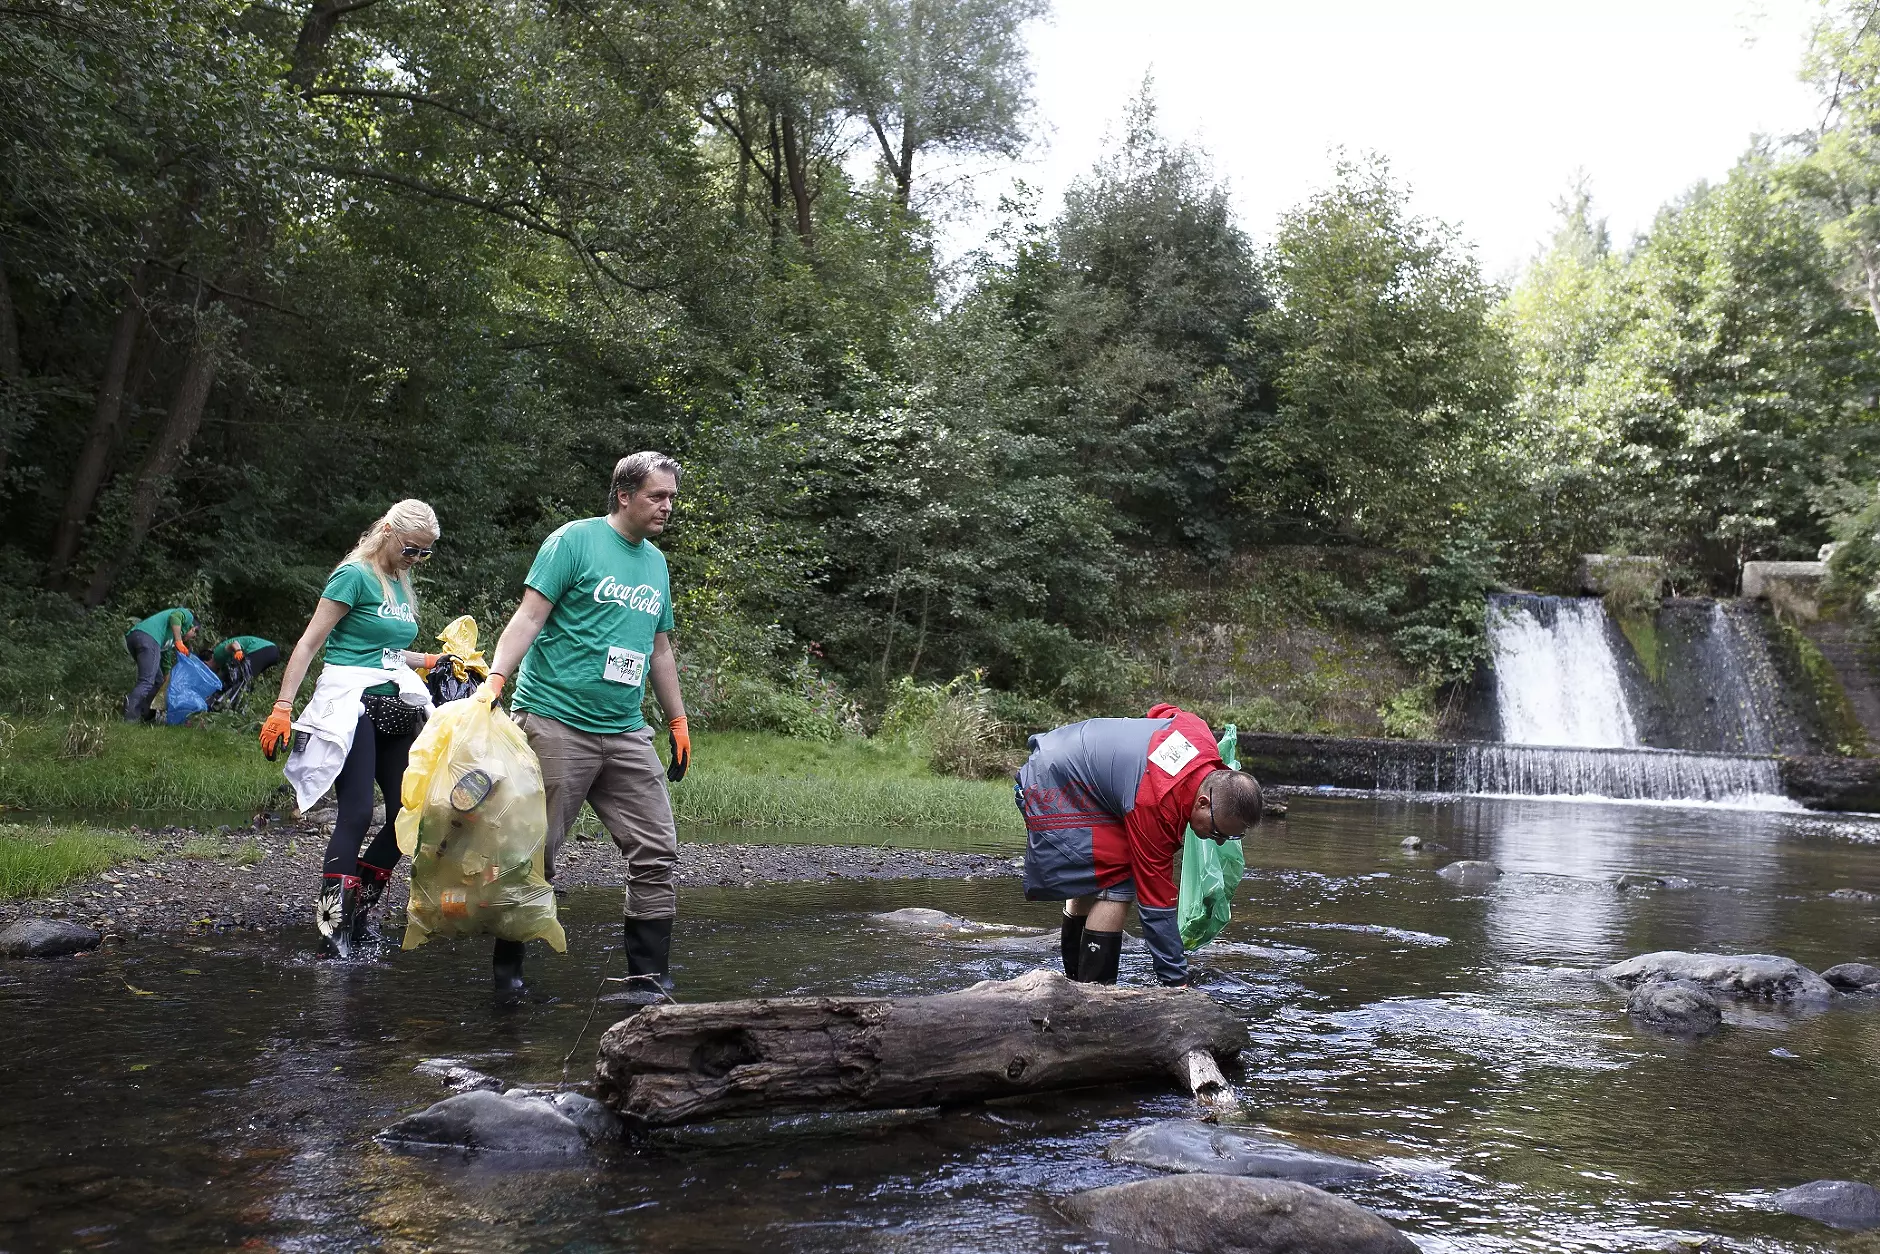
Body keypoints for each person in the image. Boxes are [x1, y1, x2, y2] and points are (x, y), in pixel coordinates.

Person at [483, 451, 691, 999]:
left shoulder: (655, 565)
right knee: (535, 852)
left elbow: (660, 650)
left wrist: (678, 720)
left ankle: (650, 980)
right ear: (624, 496)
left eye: (671, 497)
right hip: (554, 721)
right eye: (657, 496)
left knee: (657, 849)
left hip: (625, 729)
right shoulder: (573, 542)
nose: (667, 506)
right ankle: (509, 978)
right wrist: (496, 681)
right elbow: (529, 616)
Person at [259, 501, 443, 958]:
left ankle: (357, 911)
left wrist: (435, 661)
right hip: (351, 704)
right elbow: (309, 644)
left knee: (412, 813)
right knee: (357, 813)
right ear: (387, 530)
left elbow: (388, 652)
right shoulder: (354, 576)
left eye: (425, 553)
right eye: (411, 549)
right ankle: (333, 929)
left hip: (395, 704)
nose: (415, 559)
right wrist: (283, 706)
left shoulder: (400, 580)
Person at [1017, 703, 1263, 986]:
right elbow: (1155, 906)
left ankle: (1074, 983)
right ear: (1203, 803)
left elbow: (1160, 712)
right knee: (1118, 881)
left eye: (1231, 837)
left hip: (1068, 752)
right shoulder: (1155, 807)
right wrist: (1176, 982)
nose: (1219, 841)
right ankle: (1095, 997)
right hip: (1055, 780)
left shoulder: (1200, 734)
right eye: (1219, 831)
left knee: (1095, 873)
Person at [123, 605, 197, 722]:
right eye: (194, 633)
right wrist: (179, 640)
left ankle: (144, 715)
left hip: (135, 637)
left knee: (158, 682)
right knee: (146, 682)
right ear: (192, 628)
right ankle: (130, 716)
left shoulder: (170, 638)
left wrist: (166, 681)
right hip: (148, 637)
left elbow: (165, 659)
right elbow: (175, 616)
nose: (192, 637)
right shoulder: (188, 616)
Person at [210, 635, 281, 707]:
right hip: (271, 652)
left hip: (263, 649)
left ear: (208, 661)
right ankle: (231, 705)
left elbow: (234, 644)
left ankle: (226, 705)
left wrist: (238, 651)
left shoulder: (217, 654)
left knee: (242, 678)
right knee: (245, 681)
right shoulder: (222, 664)